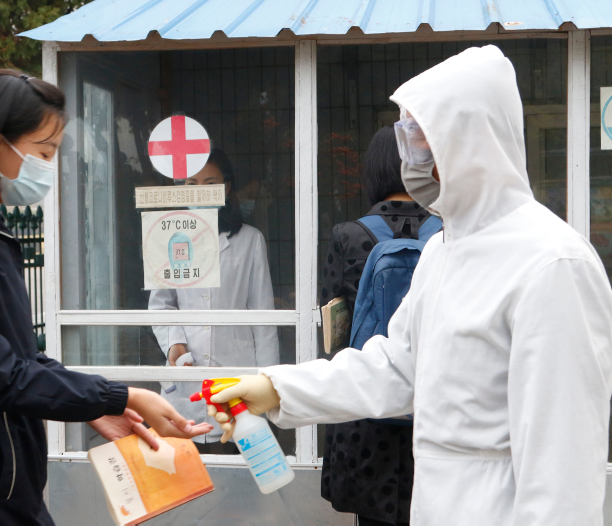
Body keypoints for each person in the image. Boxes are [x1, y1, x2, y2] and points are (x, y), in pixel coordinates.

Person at [209, 45, 612, 524]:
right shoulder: (443, 250)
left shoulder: (551, 262)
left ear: (470, 140)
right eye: (406, 135)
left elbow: (562, 470)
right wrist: (278, 388)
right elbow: (396, 369)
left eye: (421, 137)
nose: (410, 154)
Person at [0, 69, 211, 524]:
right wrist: (120, 395)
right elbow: (1, 376)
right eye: (43, 151)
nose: (50, 166)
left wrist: (99, 408)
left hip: (6, 487)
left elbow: (21, 358)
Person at [320, 126, 435, 525]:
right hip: (434, 407)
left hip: (368, 412)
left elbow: (334, 334)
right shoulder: (450, 234)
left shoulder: (348, 237)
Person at [148, 148, 279, 451]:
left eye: (210, 183)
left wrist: (267, 384)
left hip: (236, 375)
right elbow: (161, 303)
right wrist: (174, 342)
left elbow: (263, 316)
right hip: (186, 376)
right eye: (191, 184)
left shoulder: (250, 240)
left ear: (227, 186)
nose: (200, 192)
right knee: (187, 475)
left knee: (239, 472)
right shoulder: (169, 237)